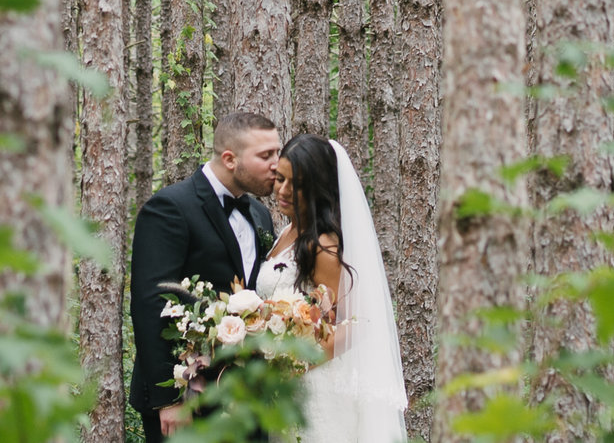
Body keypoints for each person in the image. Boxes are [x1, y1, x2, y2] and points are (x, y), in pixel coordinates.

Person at [128, 112, 284, 438]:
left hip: (247, 397)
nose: (277, 164)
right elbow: (149, 304)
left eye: (278, 152)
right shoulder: (170, 208)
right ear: (230, 159)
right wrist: (169, 399)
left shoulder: (259, 214)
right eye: (266, 155)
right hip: (188, 397)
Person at [253, 134, 407, 443]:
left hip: (316, 386)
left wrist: (295, 362)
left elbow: (357, 324)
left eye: (295, 185)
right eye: (280, 179)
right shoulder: (287, 231)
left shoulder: (322, 245)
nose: (282, 191)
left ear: (316, 188)